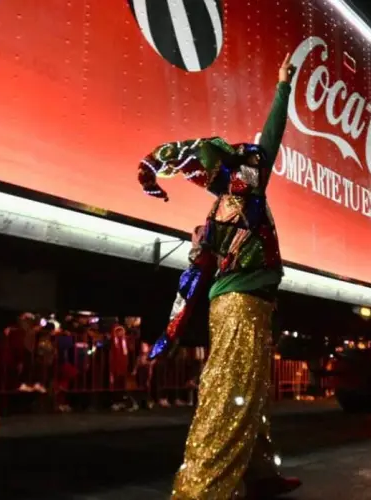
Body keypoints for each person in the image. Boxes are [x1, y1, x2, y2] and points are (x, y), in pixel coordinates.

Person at [137, 54, 300, 499]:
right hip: (241, 309)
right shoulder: (245, 193)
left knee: (252, 392)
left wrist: (170, 334)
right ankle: (202, 489)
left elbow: (191, 281)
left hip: (243, 307)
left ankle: (260, 473)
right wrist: (283, 87)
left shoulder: (214, 216)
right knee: (231, 395)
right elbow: (272, 135)